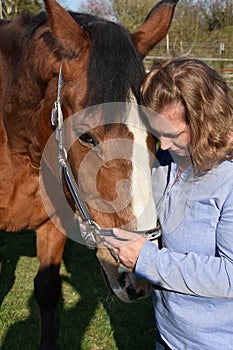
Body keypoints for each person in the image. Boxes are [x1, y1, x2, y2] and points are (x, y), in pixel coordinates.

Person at [104, 58, 233, 349]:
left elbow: (230, 276)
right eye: (156, 131)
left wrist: (146, 260)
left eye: (172, 134)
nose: (161, 145)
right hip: (167, 331)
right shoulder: (166, 161)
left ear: (206, 121)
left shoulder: (228, 181)